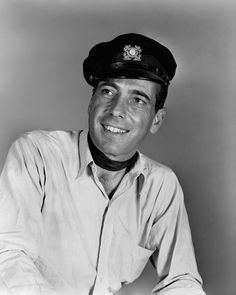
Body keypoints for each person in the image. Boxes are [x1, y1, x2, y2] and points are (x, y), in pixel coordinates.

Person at [0, 33, 206, 295]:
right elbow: (6, 254)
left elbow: (182, 280)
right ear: (91, 103)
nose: (117, 110)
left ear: (156, 120)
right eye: (108, 91)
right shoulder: (36, 154)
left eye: (138, 100)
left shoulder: (161, 186)